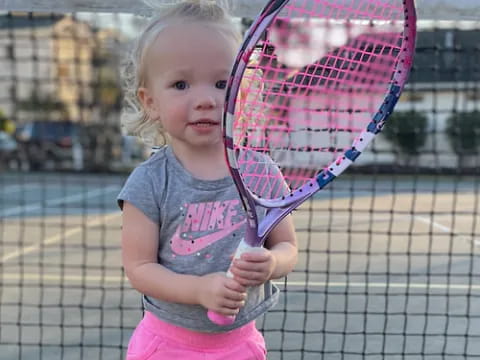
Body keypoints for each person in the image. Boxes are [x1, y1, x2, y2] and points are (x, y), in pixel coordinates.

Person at [118, 1, 298, 359]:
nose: (204, 100)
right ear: (150, 102)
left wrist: (273, 264)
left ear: (242, 93)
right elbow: (139, 269)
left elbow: (288, 248)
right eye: (181, 84)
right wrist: (198, 290)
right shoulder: (149, 182)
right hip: (165, 346)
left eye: (220, 83)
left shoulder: (260, 173)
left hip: (240, 345)